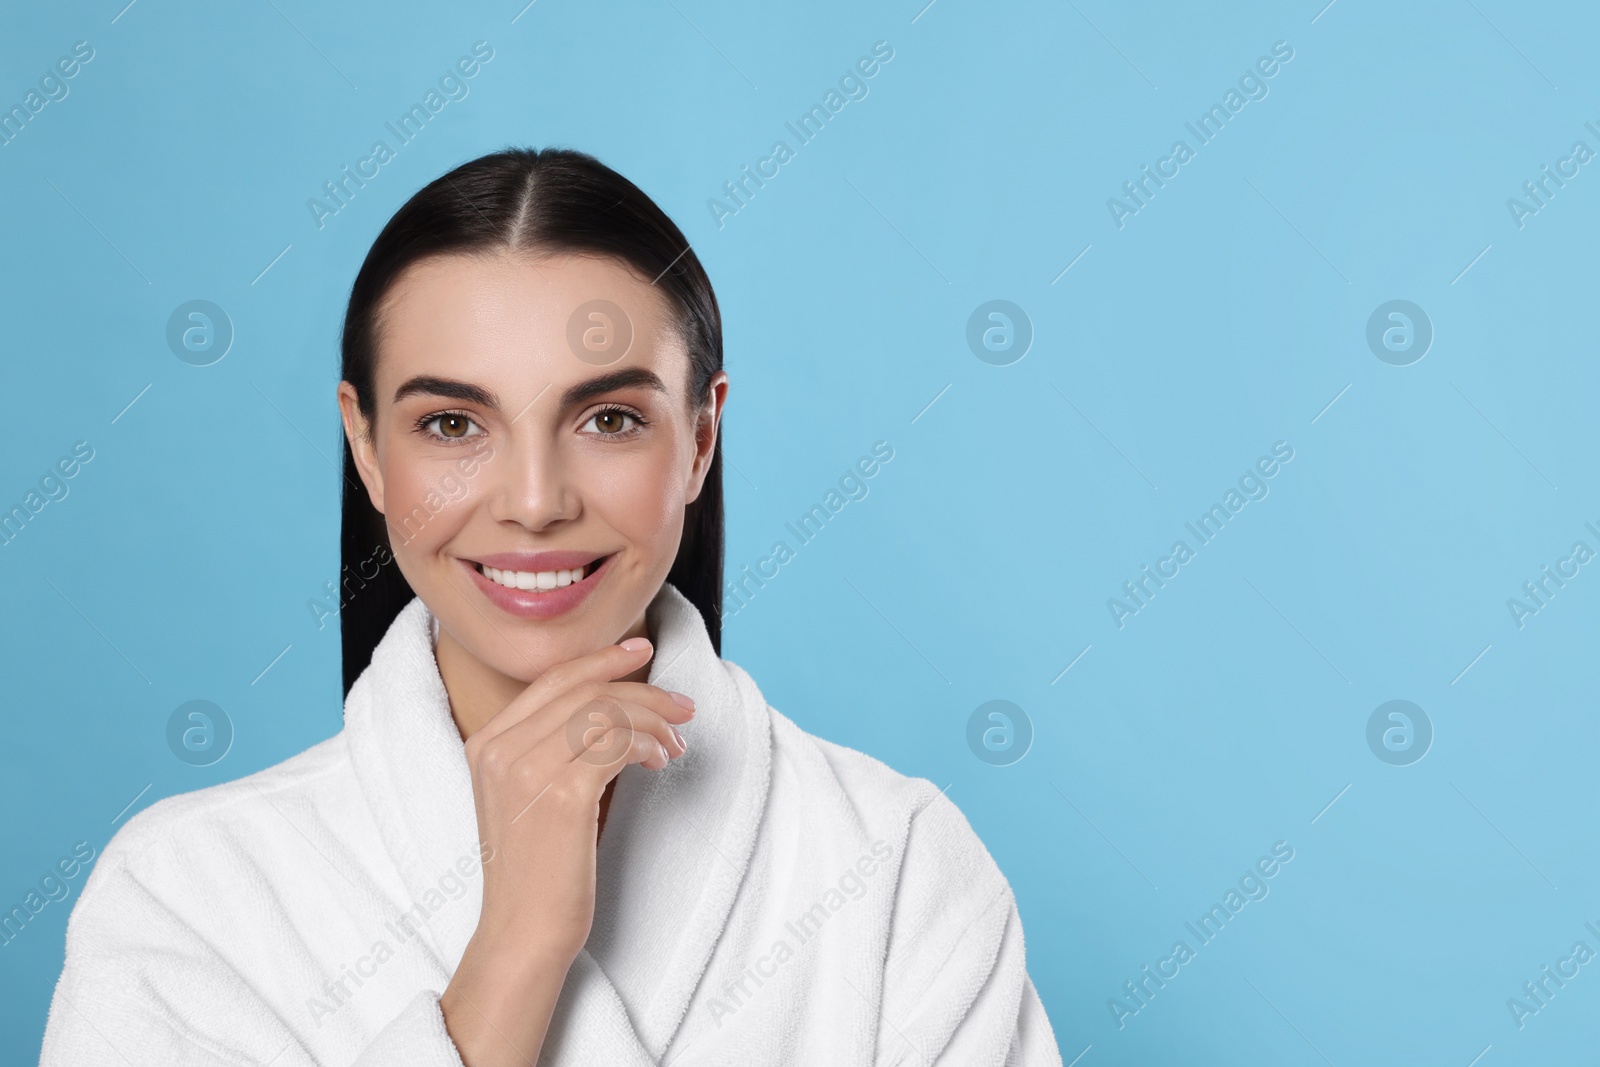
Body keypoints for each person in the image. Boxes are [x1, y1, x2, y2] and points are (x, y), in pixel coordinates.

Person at [40, 147, 1063, 1065]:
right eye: (451, 423)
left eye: (609, 417)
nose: (534, 501)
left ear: (701, 437)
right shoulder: (188, 893)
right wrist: (516, 946)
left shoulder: (894, 865)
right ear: (365, 447)